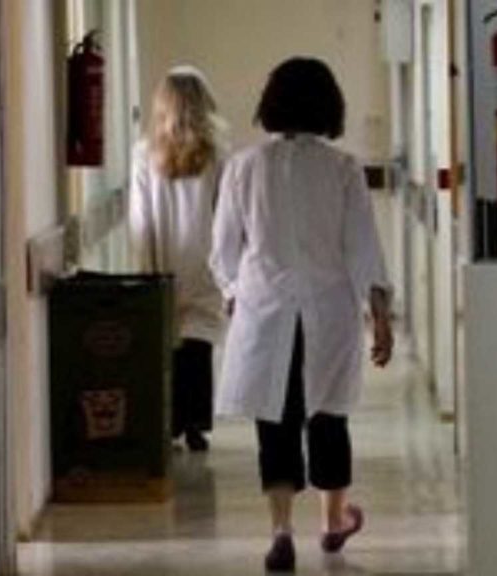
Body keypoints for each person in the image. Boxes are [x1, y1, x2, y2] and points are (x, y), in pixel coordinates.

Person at [210, 57, 394, 572]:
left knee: (276, 420)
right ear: (329, 106)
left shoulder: (244, 167)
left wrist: (234, 291)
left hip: (265, 313)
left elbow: (223, 249)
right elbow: (362, 248)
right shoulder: (343, 169)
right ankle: (333, 521)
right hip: (327, 312)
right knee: (329, 415)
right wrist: (380, 315)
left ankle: (281, 529)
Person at [129, 66, 226, 452]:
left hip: (163, 262)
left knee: (166, 349)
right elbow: (224, 214)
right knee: (198, 348)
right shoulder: (217, 156)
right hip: (204, 263)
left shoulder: (144, 154)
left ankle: (169, 423)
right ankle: (196, 425)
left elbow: (141, 220)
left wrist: (145, 269)